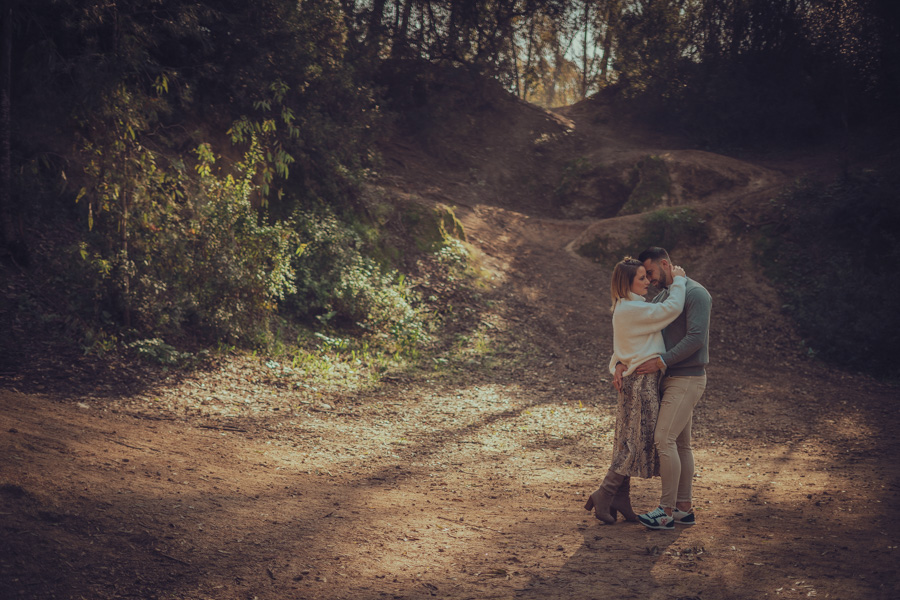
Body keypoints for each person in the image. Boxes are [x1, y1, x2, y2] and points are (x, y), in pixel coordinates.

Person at [614, 247, 712, 531]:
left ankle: (665, 511)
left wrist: (662, 361)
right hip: (668, 379)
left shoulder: (695, 294)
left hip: (687, 378)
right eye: (644, 276)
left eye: (652, 273)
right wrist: (621, 362)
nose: (650, 280)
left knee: (663, 439)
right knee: (681, 445)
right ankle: (684, 508)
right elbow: (643, 333)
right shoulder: (664, 296)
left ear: (666, 264)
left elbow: (695, 338)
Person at [585, 257, 687, 524]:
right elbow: (671, 310)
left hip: (640, 380)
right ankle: (604, 493)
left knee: (629, 438)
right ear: (627, 283)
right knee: (636, 440)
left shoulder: (629, 307)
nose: (647, 282)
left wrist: (617, 364)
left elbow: (623, 347)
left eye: (646, 276)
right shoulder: (631, 309)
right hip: (641, 383)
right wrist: (680, 281)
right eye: (641, 278)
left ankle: (621, 496)